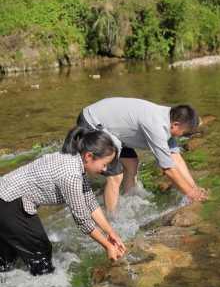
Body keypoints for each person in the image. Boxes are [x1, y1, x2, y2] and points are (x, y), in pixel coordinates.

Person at [0, 127, 126, 276]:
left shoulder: (74, 160)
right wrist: (107, 246)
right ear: (89, 156)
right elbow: (82, 220)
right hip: (8, 202)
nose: (105, 169)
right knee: (41, 252)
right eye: (104, 164)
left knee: (8, 257)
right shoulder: (71, 175)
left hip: (6, 198)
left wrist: (111, 233)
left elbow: (90, 202)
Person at [76, 97, 208, 212]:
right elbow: (168, 169)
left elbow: (176, 159)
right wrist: (191, 194)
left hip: (111, 127)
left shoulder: (169, 118)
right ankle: (112, 220)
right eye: (184, 133)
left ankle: (129, 200)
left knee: (131, 164)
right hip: (92, 121)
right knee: (116, 175)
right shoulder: (156, 126)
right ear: (176, 125)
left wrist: (194, 188)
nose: (182, 136)